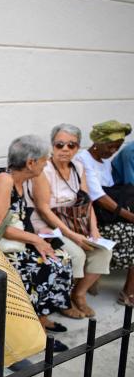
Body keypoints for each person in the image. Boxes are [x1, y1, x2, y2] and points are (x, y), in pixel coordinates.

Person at [0, 135, 73, 348]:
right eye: (44, 160)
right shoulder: (4, 180)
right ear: (31, 163)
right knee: (40, 267)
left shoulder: (20, 182)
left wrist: (39, 239)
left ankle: (42, 317)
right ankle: (35, 331)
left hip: (11, 244)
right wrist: (36, 239)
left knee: (60, 259)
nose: (46, 164)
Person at [29, 124, 112, 318]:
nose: (65, 149)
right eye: (60, 145)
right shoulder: (44, 170)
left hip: (74, 222)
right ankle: (63, 299)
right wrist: (72, 235)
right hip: (49, 226)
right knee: (76, 254)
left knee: (103, 251)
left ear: (78, 148)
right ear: (52, 146)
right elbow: (43, 208)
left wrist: (94, 229)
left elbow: (86, 201)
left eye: (71, 145)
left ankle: (79, 294)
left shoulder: (78, 167)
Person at [76, 120, 134, 307]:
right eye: (110, 146)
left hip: (110, 216)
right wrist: (129, 217)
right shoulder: (83, 159)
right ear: (97, 142)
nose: (113, 151)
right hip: (93, 219)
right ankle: (129, 292)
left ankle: (129, 290)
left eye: (117, 147)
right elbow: (98, 197)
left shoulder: (105, 161)